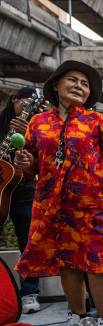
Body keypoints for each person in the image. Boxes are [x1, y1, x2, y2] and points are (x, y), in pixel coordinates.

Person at [13, 61, 103, 326]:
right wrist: (26, 165)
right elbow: (32, 166)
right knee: (68, 264)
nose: (80, 86)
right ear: (55, 85)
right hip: (54, 206)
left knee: (99, 266)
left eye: (85, 83)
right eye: (73, 80)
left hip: (94, 206)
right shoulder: (38, 123)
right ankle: (79, 323)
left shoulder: (96, 121)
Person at [0, 87, 40, 313]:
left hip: (23, 190)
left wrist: (25, 138)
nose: (27, 108)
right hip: (1, 190)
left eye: (31, 105)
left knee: (28, 241)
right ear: (14, 100)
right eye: (24, 102)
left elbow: (37, 158)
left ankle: (30, 293)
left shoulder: (32, 126)